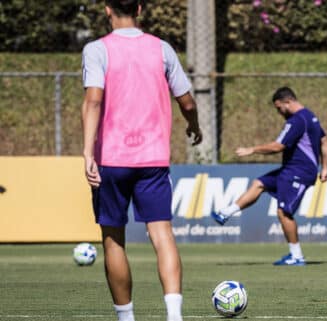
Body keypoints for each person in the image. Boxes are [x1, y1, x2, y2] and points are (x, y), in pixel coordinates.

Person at [81, 1, 202, 321]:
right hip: (153, 159)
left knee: (112, 240)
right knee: (162, 235)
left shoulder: (96, 50)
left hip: (111, 159)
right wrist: (195, 125)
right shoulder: (162, 49)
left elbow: (93, 100)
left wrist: (86, 153)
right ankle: (174, 316)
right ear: (139, 7)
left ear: (107, 9)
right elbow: (187, 102)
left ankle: (126, 318)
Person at [211, 87, 327, 266]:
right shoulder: (311, 116)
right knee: (259, 184)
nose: (279, 112)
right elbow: (324, 143)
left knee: (284, 212)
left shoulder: (296, 120)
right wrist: (325, 167)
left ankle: (296, 256)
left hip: (298, 172)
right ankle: (225, 213)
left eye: (279, 108)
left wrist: (251, 150)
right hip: (290, 169)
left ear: (287, 102)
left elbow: (277, 147)